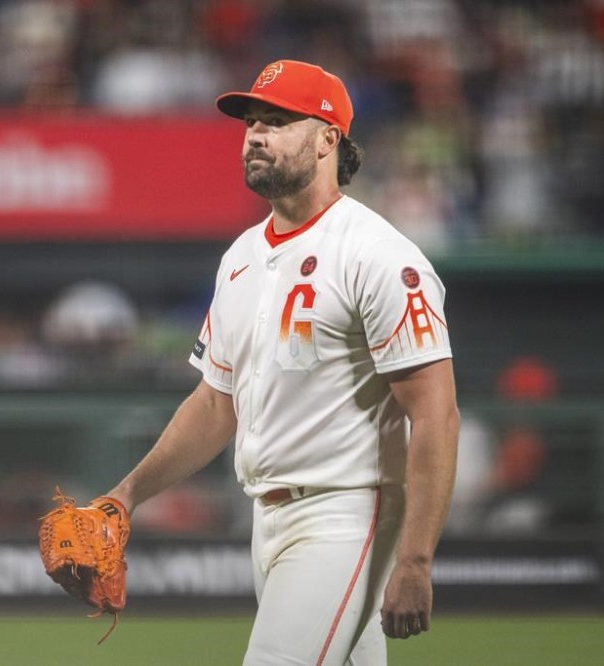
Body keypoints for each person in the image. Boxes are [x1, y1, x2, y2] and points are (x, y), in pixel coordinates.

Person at [103, 59, 460, 665]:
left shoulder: (377, 256)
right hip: (267, 521)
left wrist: (416, 559)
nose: (255, 136)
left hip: (347, 514)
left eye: (277, 121)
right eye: (251, 123)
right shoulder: (241, 256)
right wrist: (128, 494)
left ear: (329, 139)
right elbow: (217, 403)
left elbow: (436, 414)